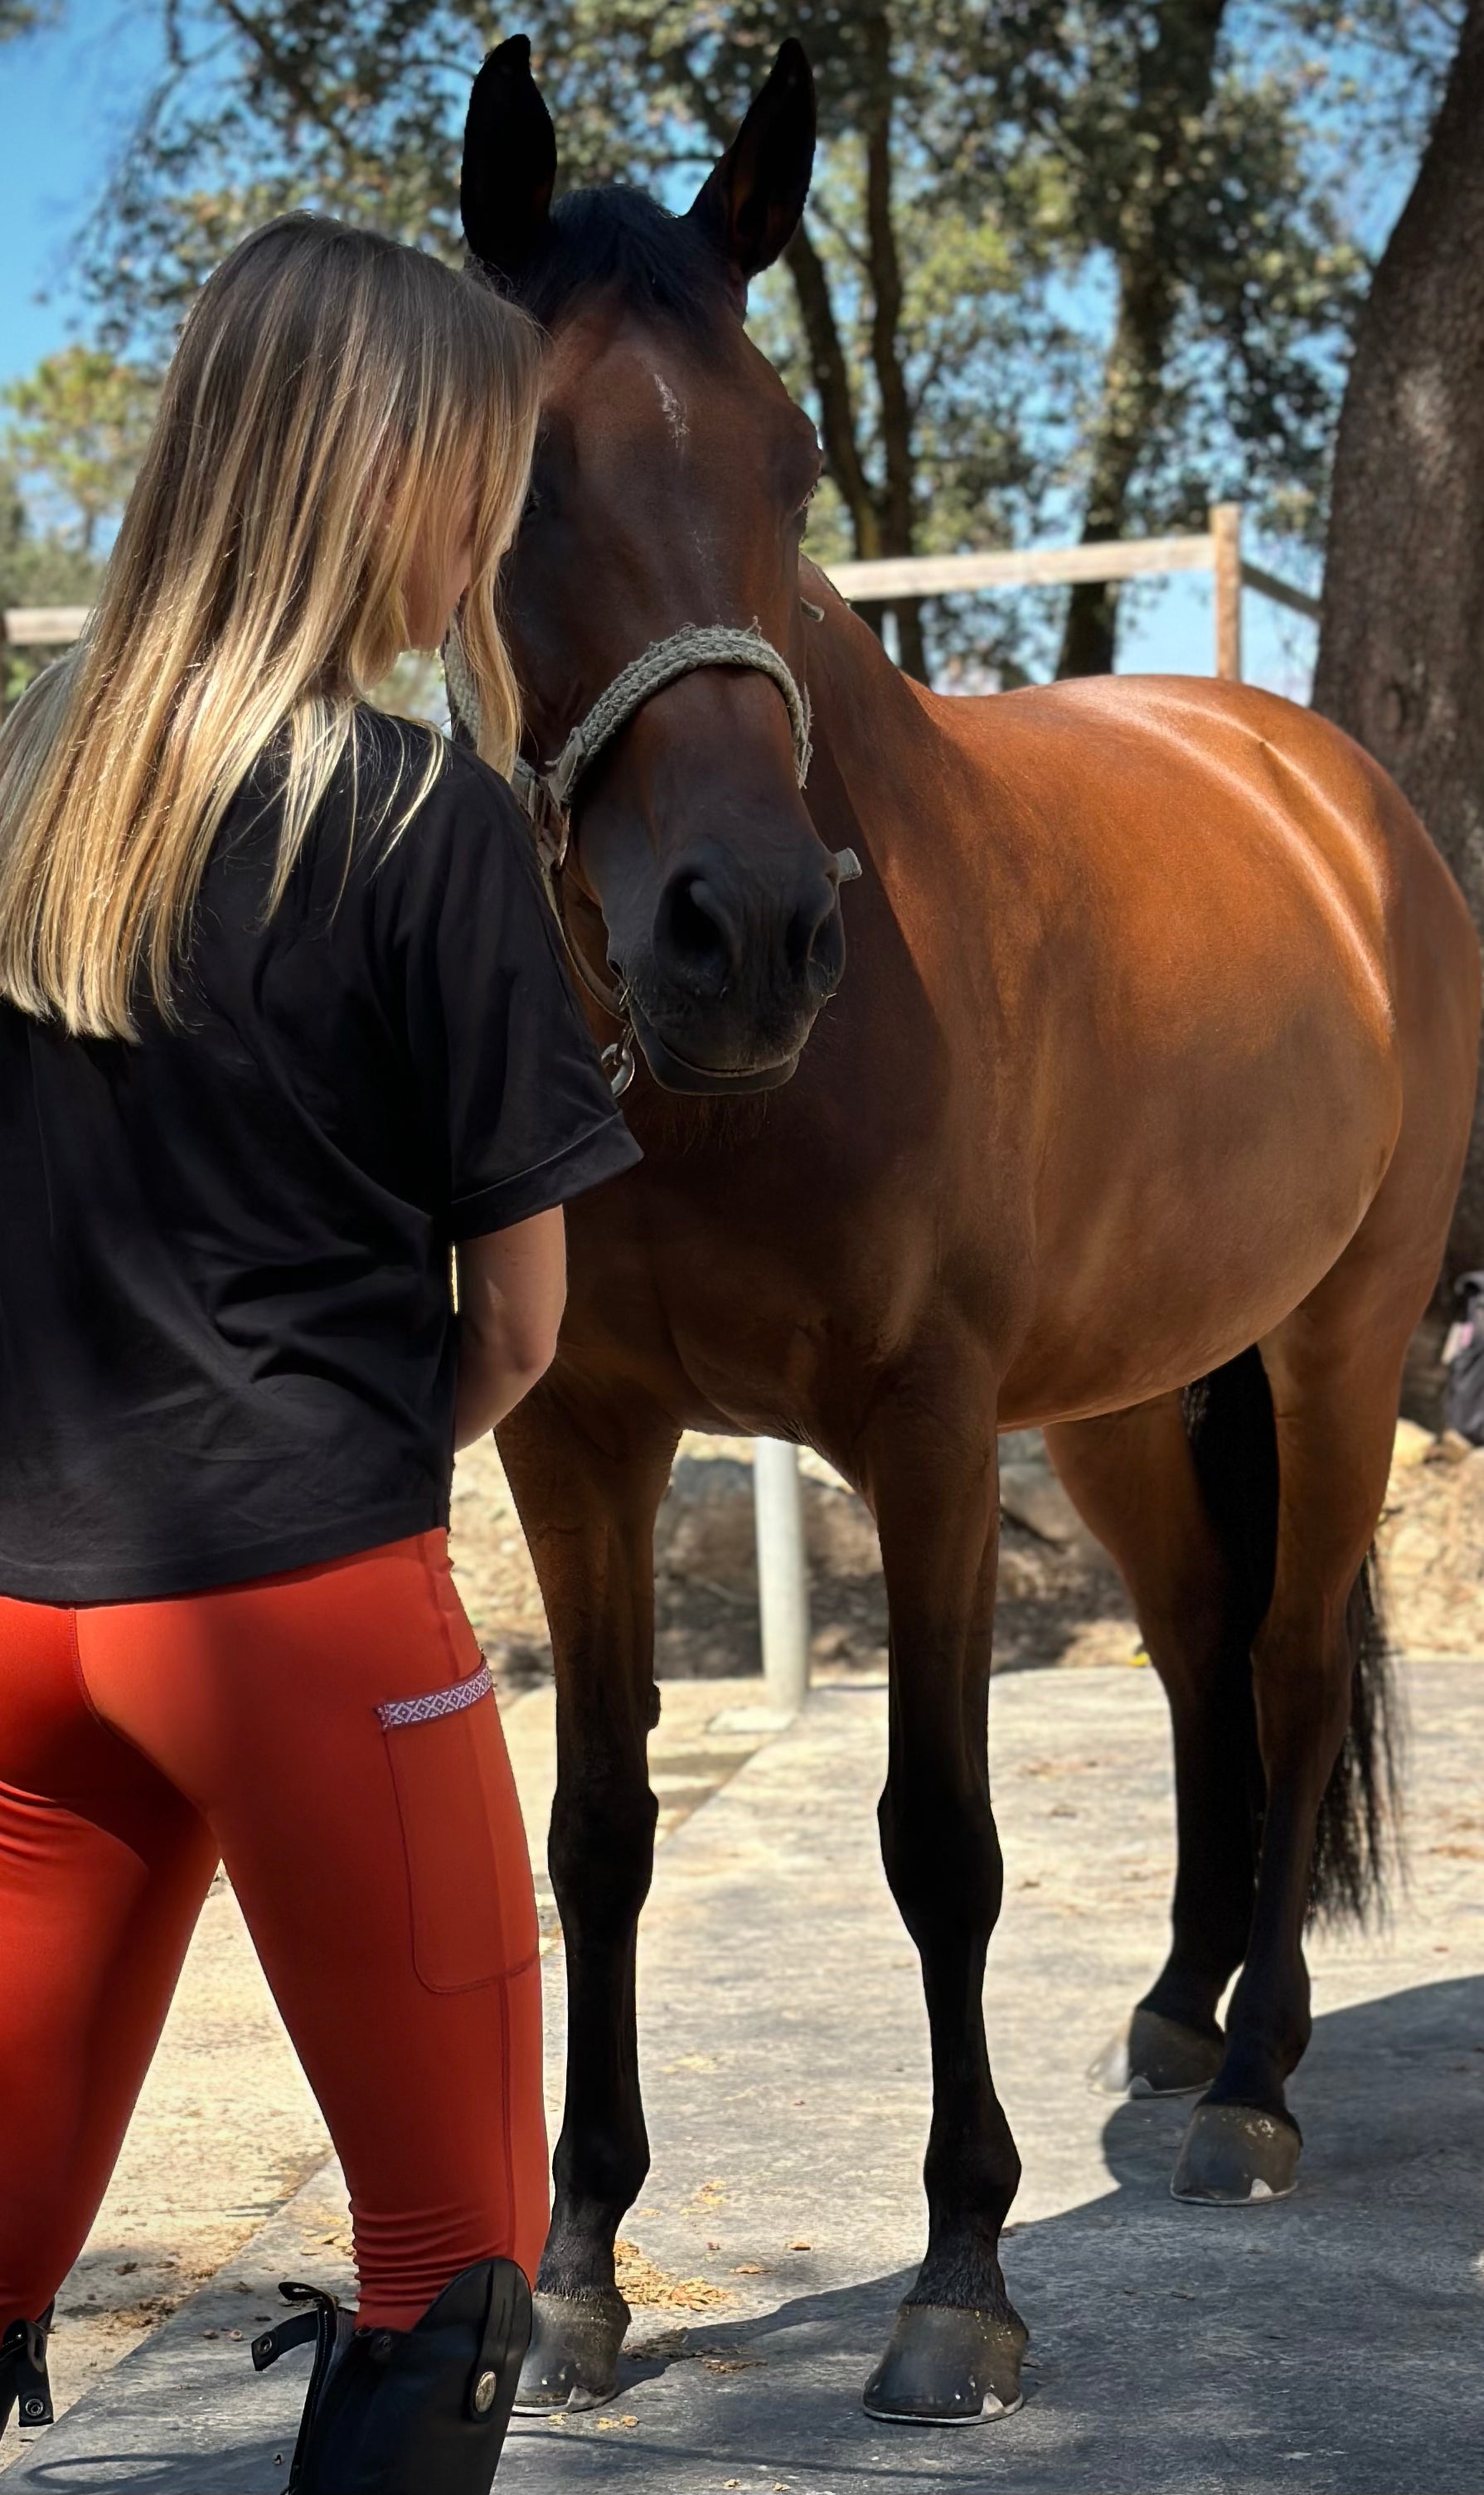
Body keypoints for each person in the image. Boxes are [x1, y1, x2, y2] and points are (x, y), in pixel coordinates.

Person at [0, 214, 640, 2493]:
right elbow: (526, 1321)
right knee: (455, 2262)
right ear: (368, 470)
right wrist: (377, 1455)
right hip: (307, 1615)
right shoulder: (424, 822)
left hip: (24, 1625)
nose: (483, 533)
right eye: (468, 475)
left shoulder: (25, 792)